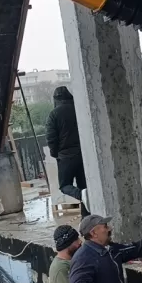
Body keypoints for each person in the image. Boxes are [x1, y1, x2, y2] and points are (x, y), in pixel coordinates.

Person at [46, 86, 89, 216]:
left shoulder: (54, 114)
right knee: (84, 188)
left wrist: (55, 154)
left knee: (65, 186)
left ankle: (79, 195)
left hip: (66, 157)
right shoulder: (78, 109)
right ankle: (86, 217)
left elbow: (51, 138)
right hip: (83, 155)